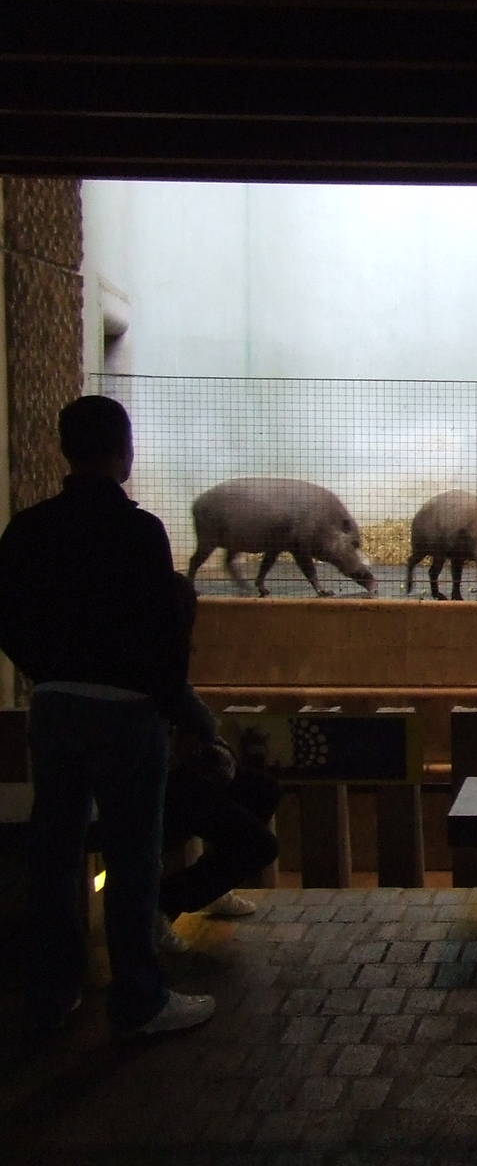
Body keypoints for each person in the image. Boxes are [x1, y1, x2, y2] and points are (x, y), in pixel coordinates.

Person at [0, 395, 216, 1036]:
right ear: (125, 452)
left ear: (64, 451)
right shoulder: (139, 531)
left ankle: (54, 988)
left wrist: (47, 672)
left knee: (57, 852)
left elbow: (8, 614)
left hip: (58, 707)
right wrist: (171, 700)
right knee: (132, 856)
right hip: (127, 713)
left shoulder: (28, 529)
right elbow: (162, 629)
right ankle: (138, 997)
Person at [156, 673, 280, 953]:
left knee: (262, 790)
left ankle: (212, 886)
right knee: (260, 846)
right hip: (163, 779)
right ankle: (162, 904)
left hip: (183, 769)